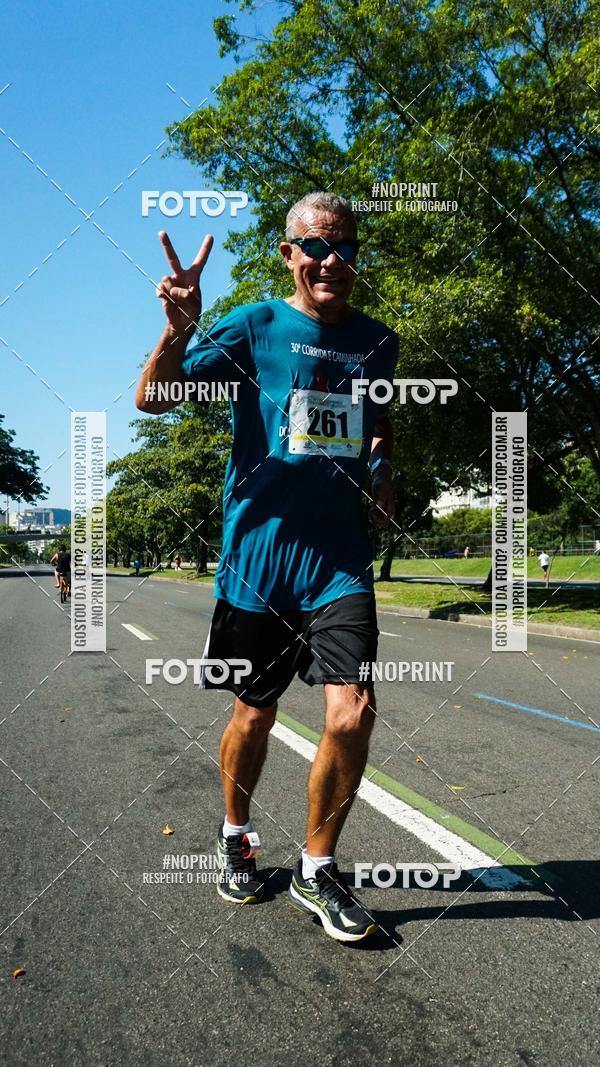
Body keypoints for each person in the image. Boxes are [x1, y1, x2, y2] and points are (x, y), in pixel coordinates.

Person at [136, 191, 397, 943]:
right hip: (257, 563)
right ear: (289, 254)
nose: (332, 260)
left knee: (353, 711)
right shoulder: (254, 325)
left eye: (345, 247)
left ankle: (319, 867)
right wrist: (177, 330)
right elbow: (154, 397)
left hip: (338, 563)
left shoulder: (379, 342)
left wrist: (383, 472)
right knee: (254, 712)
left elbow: (378, 421)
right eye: (316, 246)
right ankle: (235, 836)